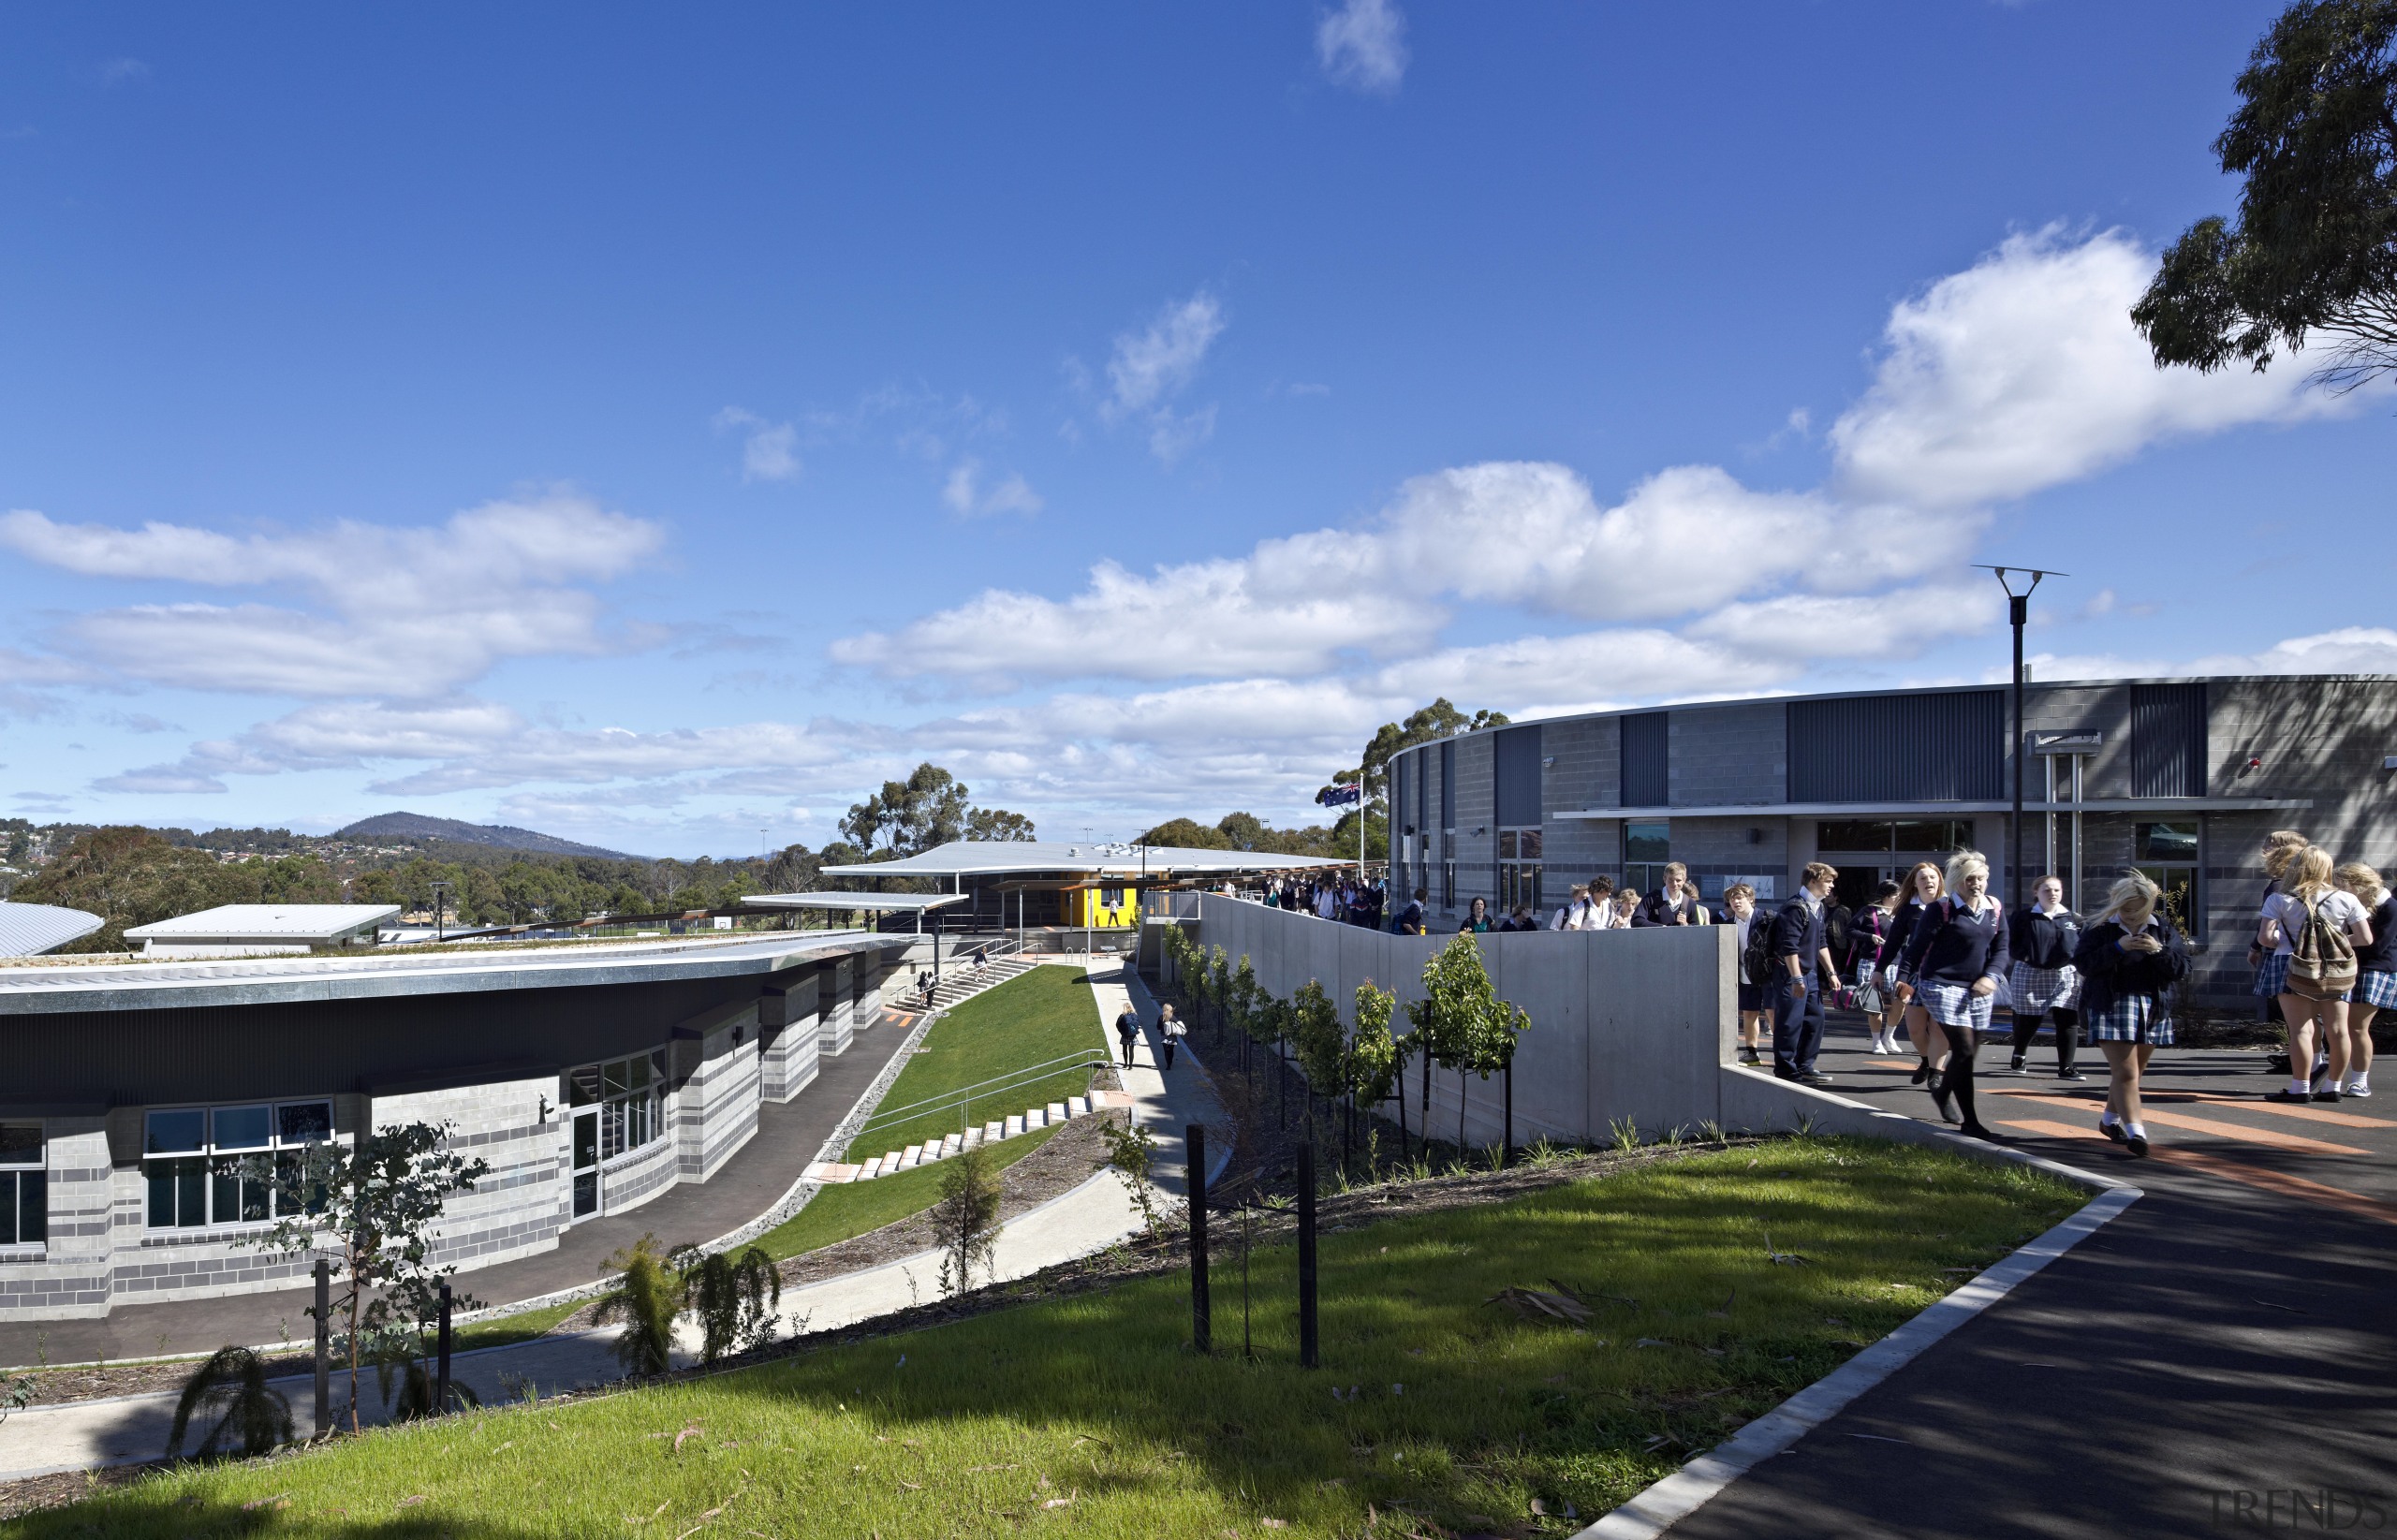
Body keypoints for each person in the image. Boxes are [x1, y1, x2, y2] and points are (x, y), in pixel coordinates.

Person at [1895, 849, 2009, 1137]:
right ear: (1958, 880)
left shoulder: (1993, 908)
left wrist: (1991, 975)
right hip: (1940, 985)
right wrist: (1903, 980)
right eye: (1971, 878)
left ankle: (1943, 1091)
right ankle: (1970, 1122)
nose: (1977, 884)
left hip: (1978, 988)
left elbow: (2001, 949)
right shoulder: (1942, 909)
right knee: (1964, 1049)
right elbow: (1916, 948)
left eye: (1982, 878)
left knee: (1968, 1054)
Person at [2076, 872, 2191, 1157]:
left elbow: (2182, 969)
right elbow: (2083, 964)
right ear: (2115, 904)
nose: (2130, 915)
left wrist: (2158, 950)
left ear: (2150, 905)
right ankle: (2136, 1131)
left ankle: (2108, 1120)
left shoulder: (2161, 929)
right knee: (2126, 1072)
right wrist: (2116, 948)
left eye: (2137, 909)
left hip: (2152, 1007)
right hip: (2111, 1005)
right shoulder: (2099, 928)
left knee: (2133, 1073)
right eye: (2125, 909)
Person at [2259, 844, 2374, 1104]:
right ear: (2327, 868)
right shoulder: (2346, 898)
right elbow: (2365, 938)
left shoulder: (2279, 899)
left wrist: (2286, 940)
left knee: (2300, 1029)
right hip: (2335, 967)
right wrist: (2333, 941)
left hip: (2291, 965)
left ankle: (2300, 1088)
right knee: (2338, 1029)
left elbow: (2265, 938)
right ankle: (2333, 1086)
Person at [1769, 861, 1843, 1085]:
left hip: (1809, 974)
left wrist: (1831, 973)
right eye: (1828, 881)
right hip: (1790, 973)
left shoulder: (1818, 907)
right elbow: (1788, 946)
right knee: (1790, 1022)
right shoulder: (1795, 908)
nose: (1831, 886)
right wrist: (1796, 978)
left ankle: (1804, 1065)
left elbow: (1821, 943)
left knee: (1815, 1019)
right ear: (1813, 881)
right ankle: (1785, 1068)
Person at [2008, 875, 2085, 1080]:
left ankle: (2066, 1068)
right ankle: (2019, 1054)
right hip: (2031, 972)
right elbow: (2011, 943)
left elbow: (2081, 944)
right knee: (2029, 1019)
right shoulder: (2023, 917)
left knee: (2068, 1019)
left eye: (2057, 890)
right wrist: (2026, 956)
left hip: (2065, 974)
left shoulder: (2072, 918)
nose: (2052, 894)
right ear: (2036, 892)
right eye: (2047, 890)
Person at [2252, 829, 2310, 1076]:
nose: (2264, 850)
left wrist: (2256, 946)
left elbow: (2267, 925)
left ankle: (2301, 1068)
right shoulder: (2312, 885)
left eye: (2269, 845)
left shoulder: (2278, 887)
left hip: (2285, 954)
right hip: (2315, 956)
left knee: (2296, 1018)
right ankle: (2312, 1062)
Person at [1885, 861, 1944, 1083]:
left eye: (1932, 877)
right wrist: (1879, 970)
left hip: (1944, 976)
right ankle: (1927, 1061)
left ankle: (1936, 1074)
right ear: (1915, 883)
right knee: (1916, 1030)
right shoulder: (1908, 910)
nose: (1928, 881)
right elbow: (1892, 944)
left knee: (1938, 1028)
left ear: (1939, 880)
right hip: (1914, 975)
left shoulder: (1950, 906)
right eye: (1923, 878)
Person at [2334, 862, 2389, 1099]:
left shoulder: (2389, 907)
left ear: (2356, 885)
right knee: (2341, 1026)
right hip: (2350, 967)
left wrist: (2337, 946)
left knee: (2356, 1027)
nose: (2337, 890)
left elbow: (2378, 946)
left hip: (2374, 970)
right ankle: (2331, 1074)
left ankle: (2360, 1081)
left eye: (2340, 885)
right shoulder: (2352, 905)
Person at [1850, 880, 1901, 1055]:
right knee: (1874, 1003)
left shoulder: (1901, 913)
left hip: (1896, 962)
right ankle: (1876, 1041)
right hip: (1871, 961)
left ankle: (1889, 1036)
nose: (1899, 898)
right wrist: (1869, 936)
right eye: (1896, 895)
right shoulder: (1868, 912)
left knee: (1900, 1000)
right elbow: (1849, 930)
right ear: (1886, 896)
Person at [1720, 881, 1768, 1066]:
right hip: (1745, 973)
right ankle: (1752, 1052)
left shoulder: (1764, 918)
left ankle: (1784, 1052)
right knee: (1749, 1013)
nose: (1735, 902)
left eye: (1739, 897)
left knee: (1772, 1013)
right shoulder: (1728, 923)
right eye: (1732, 899)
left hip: (1766, 973)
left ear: (1750, 899)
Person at [1633, 863, 1712, 927]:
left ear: (1684, 880)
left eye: (1678, 880)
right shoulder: (1651, 898)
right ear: (1664, 879)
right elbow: (1636, 920)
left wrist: (1686, 925)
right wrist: (1660, 928)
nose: (1674, 884)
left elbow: (1697, 930)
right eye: (1670, 880)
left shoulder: (1690, 903)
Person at [1158, 1003, 1185, 1071]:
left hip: (1164, 1036)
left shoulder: (1161, 1017)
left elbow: (1158, 1027)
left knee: (1166, 1051)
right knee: (1171, 1050)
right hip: (1172, 1037)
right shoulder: (1173, 1017)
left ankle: (1168, 1065)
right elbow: (1178, 1024)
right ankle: (1170, 1061)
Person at [1114, 1003, 1141, 1069]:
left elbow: (1117, 1024)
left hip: (1125, 1035)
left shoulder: (1122, 1016)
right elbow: (1138, 1024)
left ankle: (1126, 1063)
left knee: (1124, 1049)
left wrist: (1121, 1032)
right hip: (1132, 1035)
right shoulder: (1134, 1015)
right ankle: (1131, 1066)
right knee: (1131, 1050)